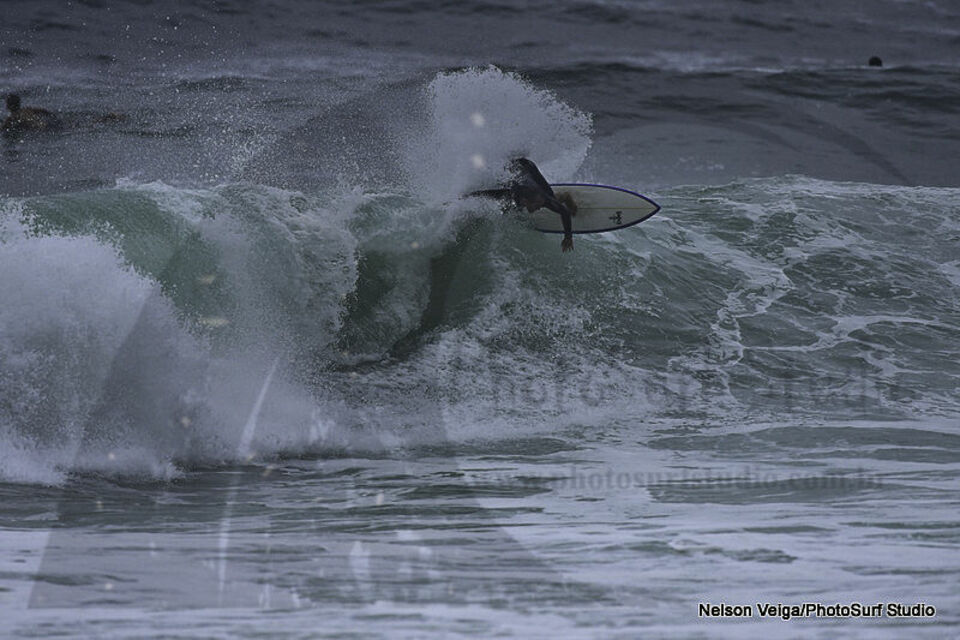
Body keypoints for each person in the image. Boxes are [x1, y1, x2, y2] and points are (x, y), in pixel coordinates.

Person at [470, 157, 576, 252]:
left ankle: (565, 196)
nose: (539, 207)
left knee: (551, 199)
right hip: (519, 166)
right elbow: (487, 193)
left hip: (529, 167)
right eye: (537, 205)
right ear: (525, 201)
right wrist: (468, 195)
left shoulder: (544, 199)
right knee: (509, 206)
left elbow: (565, 212)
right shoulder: (513, 193)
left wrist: (568, 237)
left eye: (540, 205)